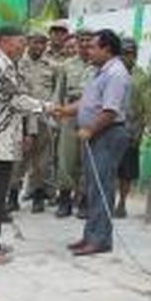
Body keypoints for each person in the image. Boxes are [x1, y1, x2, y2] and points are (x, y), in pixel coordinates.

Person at [0, 26, 52, 265]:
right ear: (5, 41)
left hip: (1, 139)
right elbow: (15, 99)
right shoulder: (0, 64)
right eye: (20, 41)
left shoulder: (3, 62)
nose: (23, 46)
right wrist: (47, 107)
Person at [55, 29, 131, 256]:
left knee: (101, 187)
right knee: (93, 187)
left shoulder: (116, 74)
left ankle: (100, 240)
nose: (88, 50)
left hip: (107, 135)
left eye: (93, 47)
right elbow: (88, 100)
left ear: (107, 49)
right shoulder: (100, 72)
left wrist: (89, 129)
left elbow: (109, 111)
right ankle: (91, 236)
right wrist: (64, 110)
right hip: (97, 135)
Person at [54, 29, 94, 219]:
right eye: (82, 40)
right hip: (69, 114)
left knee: (87, 158)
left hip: (90, 115)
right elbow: (59, 93)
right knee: (66, 158)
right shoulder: (66, 65)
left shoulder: (98, 66)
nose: (85, 44)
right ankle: (64, 200)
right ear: (76, 43)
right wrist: (57, 114)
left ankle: (84, 201)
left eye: (89, 41)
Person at [18, 28, 58, 213]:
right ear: (28, 42)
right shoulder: (18, 63)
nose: (39, 46)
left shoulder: (52, 66)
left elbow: (57, 93)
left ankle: (38, 195)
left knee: (42, 161)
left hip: (43, 118)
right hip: (22, 117)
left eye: (43, 43)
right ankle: (12, 195)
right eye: (36, 42)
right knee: (19, 158)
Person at [115, 38, 146, 218]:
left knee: (126, 173)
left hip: (131, 130)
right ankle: (108, 201)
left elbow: (145, 107)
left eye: (131, 53)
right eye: (124, 53)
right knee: (110, 169)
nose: (127, 57)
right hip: (113, 128)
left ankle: (122, 203)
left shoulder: (141, 78)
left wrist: (139, 131)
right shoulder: (112, 74)